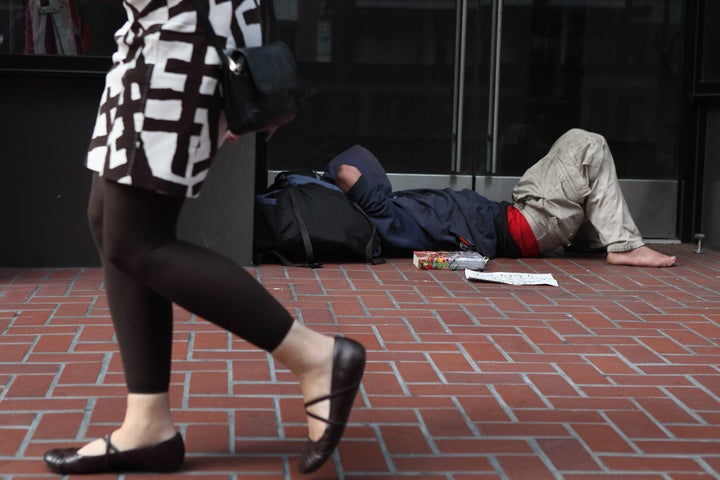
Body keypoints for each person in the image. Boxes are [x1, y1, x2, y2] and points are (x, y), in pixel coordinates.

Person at [43, 0, 365, 475]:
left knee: (136, 239)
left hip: (181, 38)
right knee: (108, 219)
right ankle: (147, 423)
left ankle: (316, 357)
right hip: (148, 37)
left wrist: (243, 59)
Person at [324, 129, 676, 268]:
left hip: (520, 214)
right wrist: (336, 189)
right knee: (588, 143)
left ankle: (591, 240)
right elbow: (346, 175)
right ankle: (623, 245)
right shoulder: (384, 214)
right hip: (527, 226)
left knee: (569, 150)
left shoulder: (389, 212)